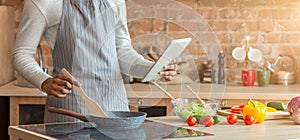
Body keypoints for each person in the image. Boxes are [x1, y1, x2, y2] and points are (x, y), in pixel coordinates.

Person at [12, 0, 177, 123]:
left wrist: (153, 70)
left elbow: (122, 52)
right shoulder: (44, 2)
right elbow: (21, 53)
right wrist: (44, 81)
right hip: (71, 111)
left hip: (115, 110)